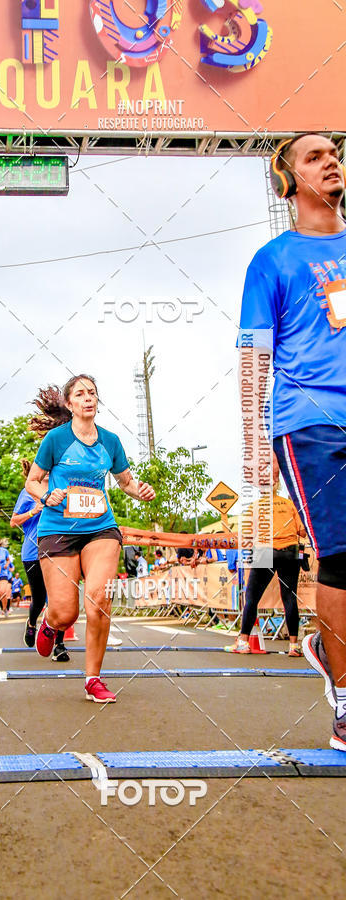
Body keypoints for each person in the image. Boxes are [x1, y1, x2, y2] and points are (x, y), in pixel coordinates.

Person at [239, 133, 346, 750]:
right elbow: (255, 355)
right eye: (314, 156)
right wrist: (257, 464)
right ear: (287, 182)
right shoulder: (273, 261)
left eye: (335, 153)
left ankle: (326, 646)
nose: (331, 161)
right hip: (310, 422)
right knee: (341, 555)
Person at [25, 374, 155, 703]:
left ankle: (93, 679)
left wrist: (140, 490)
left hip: (100, 528)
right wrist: (46, 495)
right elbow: (33, 481)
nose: (88, 398)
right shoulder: (55, 440)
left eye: (93, 393)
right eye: (81, 394)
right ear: (69, 404)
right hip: (58, 530)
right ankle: (51, 623)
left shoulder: (110, 441)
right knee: (66, 613)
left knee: (99, 600)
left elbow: (125, 482)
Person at [226, 456, 307, 655]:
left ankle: (243, 641)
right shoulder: (289, 505)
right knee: (289, 597)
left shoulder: (255, 508)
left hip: (265, 551)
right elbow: (302, 532)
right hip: (290, 551)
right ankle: (294, 646)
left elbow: (248, 536)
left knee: (252, 597)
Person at [11, 460, 68, 662]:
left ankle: (59, 645)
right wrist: (33, 511)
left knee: (59, 599)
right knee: (39, 597)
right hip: (33, 552)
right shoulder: (27, 491)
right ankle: (32, 622)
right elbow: (14, 521)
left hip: (57, 549)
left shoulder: (59, 488)